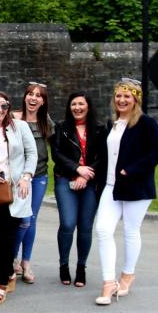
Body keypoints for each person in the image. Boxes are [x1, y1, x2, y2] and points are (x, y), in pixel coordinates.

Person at [94, 78, 158, 305]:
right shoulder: (112, 124)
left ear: (136, 99)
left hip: (136, 186)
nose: (122, 100)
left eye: (127, 96)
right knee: (103, 229)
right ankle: (108, 282)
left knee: (131, 231)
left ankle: (127, 274)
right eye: (118, 96)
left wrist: (131, 170)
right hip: (110, 186)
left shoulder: (146, 123)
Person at [0, 91, 37, 304]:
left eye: (3, 106)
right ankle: (9, 272)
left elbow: (32, 153)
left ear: (8, 107)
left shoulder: (19, 127)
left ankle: (2, 282)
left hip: (17, 188)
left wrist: (26, 176)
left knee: (10, 235)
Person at [51, 91, 107, 287]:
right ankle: (63, 265)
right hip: (65, 179)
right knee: (67, 224)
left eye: (81, 104)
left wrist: (86, 173)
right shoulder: (61, 127)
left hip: (90, 181)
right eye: (73, 104)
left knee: (85, 227)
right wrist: (76, 169)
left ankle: (81, 267)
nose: (77, 107)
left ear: (88, 106)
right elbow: (56, 154)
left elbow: (104, 156)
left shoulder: (100, 128)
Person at [11, 82, 53, 283]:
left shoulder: (47, 123)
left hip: (39, 176)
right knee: (20, 218)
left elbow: (59, 149)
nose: (33, 98)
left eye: (38, 95)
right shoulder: (14, 119)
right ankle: (12, 259)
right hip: (18, 178)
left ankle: (26, 262)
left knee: (31, 219)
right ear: (25, 97)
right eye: (30, 94)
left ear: (43, 101)